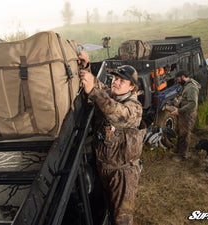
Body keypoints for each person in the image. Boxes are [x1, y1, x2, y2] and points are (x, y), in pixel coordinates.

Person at [78, 51, 145, 225]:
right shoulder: (109, 93)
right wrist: (86, 66)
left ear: (132, 87)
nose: (116, 82)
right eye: (115, 78)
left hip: (122, 173)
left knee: (121, 219)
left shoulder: (134, 108)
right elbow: (98, 86)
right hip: (103, 168)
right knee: (105, 209)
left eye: (122, 81)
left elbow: (118, 113)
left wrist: (93, 91)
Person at [171, 70, 201, 161]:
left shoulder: (191, 87)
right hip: (184, 113)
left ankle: (182, 155)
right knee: (181, 131)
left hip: (188, 115)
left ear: (183, 77)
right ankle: (179, 149)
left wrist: (179, 111)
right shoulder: (187, 85)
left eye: (179, 79)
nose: (178, 81)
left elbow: (192, 104)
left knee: (185, 134)